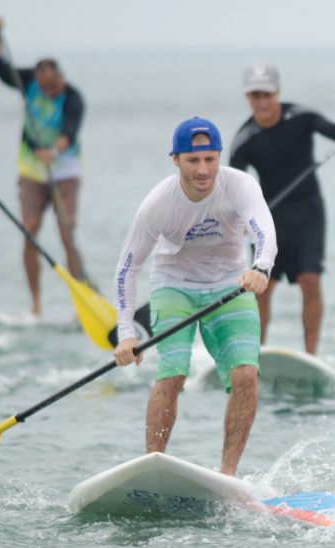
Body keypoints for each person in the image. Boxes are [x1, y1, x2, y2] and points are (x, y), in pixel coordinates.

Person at [112, 117, 276, 476]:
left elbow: (264, 228)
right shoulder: (158, 204)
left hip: (231, 284)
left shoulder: (239, 185)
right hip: (174, 285)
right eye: (193, 161)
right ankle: (153, 463)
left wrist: (261, 268)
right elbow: (127, 269)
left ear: (219, 157)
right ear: (176, 160)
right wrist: (126, 332)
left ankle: (228, 474)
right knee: (173, 374)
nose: (203, 170)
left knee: (247, 375)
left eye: (210, 159)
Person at [230, 63, 335, 355]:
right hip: (268, 218)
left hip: (308, 212)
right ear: (248, 97)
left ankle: (311, 354)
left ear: (277, 92)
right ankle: (255, 353)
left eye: (266, 94)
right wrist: (240, 219)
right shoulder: (245, 139)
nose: (262, 101)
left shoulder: (301, 116)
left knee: (310, 280)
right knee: (263, 286)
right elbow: (234, 186)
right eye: (255, 95)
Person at [0, 17, 89, 318]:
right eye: (44, 87)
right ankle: (36, 305)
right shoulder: (28, 81)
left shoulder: (73, 97)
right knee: (29, 231)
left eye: (53, 86)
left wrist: (53, 150)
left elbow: (69, 130)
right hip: (31, 173)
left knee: (67, 233)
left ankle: (80, 301)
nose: (48, 91)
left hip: (65, 172)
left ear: (62, 77)